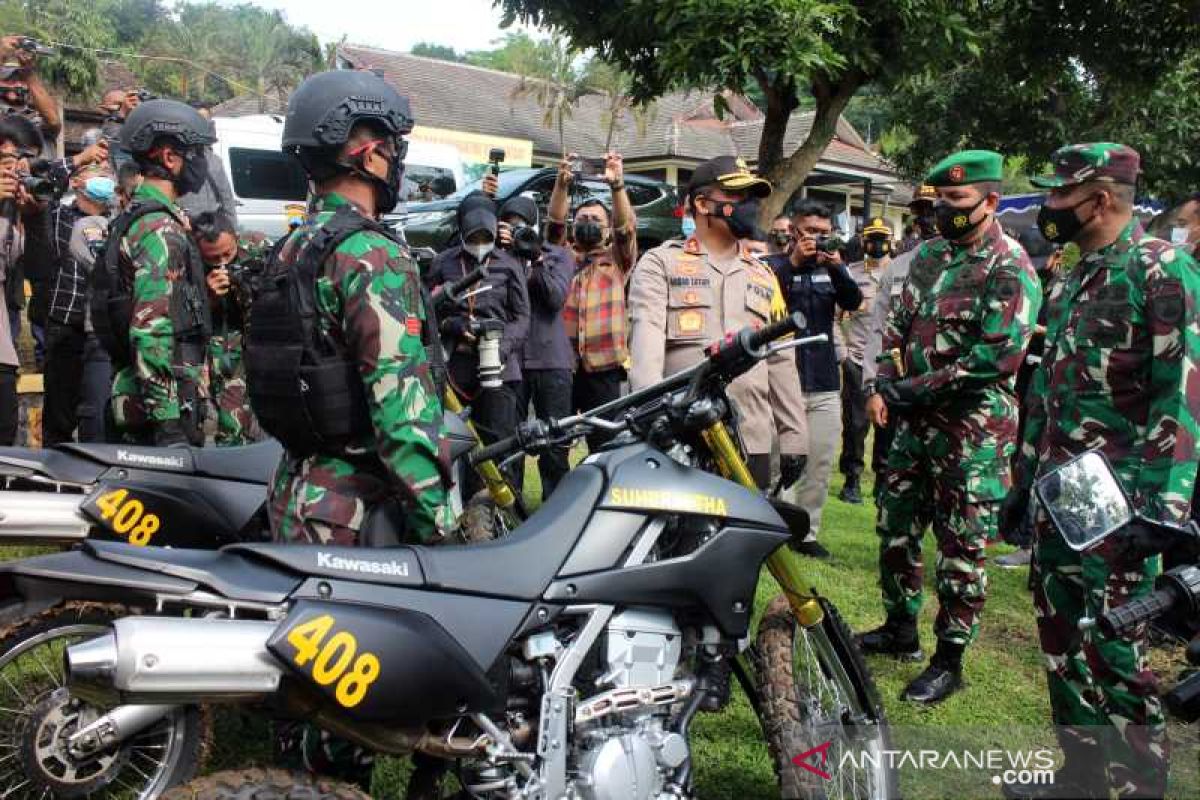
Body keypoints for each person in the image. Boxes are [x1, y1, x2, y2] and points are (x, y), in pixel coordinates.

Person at [1000, 143, 1200, 800]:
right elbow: (1049, 390)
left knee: (1116, 654)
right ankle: (1080, 777)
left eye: (1060, 195)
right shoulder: (1076, 272)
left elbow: (1183, 394)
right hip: (1067, 494)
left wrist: (1164, 513)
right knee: (1060, 639)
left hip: (1127, 505)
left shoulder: (1162, 270)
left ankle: (1140, 787)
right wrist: (1023, 482)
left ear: (1101, 198)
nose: (1050, 208)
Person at [857, 150, 1040, 705]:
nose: (945, 211)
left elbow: (998, 356)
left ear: (991, 202)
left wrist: (919, 387)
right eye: (941, 201)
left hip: (973, 430)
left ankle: (949, 658)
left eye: (957, 201)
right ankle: (900, 629)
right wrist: (884, 380)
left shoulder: (1010, 266)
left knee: (960, 545)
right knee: (895, 526)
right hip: (913, 422)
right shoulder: (929, 256)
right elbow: (895, 322)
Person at [627, 154, 809, 710]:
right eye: (739, 196)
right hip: (682, 434)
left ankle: (716, 659)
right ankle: (664, 650)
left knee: (735, 556)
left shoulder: (763, 274)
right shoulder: (661, 264)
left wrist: (794, 435)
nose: (749, 207)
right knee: (674, 546)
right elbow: (646, 347)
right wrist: (651, 419)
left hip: (747, 439)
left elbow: (780, 362)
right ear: (704, 203)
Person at [92, 99, 215, 447]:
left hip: (142, 397)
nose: (202, 164)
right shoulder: (159, 227)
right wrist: (168, 424)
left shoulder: (139, 217)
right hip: (158, 413)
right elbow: (151, 327)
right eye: (197, 153)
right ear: (169, 157)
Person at [768, 198, 863, 557]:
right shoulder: (773, 266)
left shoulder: (837, 268)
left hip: (823, 379)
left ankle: (806, 533)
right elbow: (766, 299)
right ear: (793, 231)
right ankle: (776, 530)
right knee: (781, 461)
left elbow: (853, 302)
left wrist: (837, 267)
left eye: (825, 233)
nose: (818, 239)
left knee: (820, 462)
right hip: (783, 379)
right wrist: (794, 264)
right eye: (810, 232)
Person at [426, 191, 529, 494]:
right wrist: (453, 326)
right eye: (475, 236)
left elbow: (522, 318)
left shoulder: (510, 265)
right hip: (455, 367)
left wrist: (501, 346)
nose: (481, 242)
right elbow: (427, 311)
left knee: (499, 443)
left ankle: (502, 518)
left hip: (500, 366)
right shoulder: (442, 263)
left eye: (487, 235)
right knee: (453, 439)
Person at [548, 151, 636, 449]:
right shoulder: (559, 257)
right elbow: (554, 225)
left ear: (607, 228)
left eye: (596, 219)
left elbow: (627, 229)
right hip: (563, 365)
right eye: (582, 218)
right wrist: (561, 185)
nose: (588, 222)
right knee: (557, 442)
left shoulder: (618, 260)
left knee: (605, 444)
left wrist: (617, 185)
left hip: (605, 368)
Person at [862, 184, 938, 499]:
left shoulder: (982, 264)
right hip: (901, 392)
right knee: (898, 496)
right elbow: (877, 331)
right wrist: (873, 387)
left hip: (953, 400)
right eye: (921, 211)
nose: (928, 218)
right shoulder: (899, 267)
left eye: (933, 209)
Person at [500, 194, 574, 501]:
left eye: (523, 226)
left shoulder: (557, 255)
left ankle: (555, 507)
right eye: (511, 226)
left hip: (551, 360)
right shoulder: (496, 257)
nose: (518, 232)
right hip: (511, 360)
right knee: (509, 441)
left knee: (556, 443)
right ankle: (511, 509)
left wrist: (535, 258)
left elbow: (556, 298)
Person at [44, 168, 116, 445]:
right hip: (66, 321)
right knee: (60, 412)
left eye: (106, 172)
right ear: (76, 182)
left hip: (101, 331)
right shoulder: (60, 215)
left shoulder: (117, 219)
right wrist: (75, 162)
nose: (104, 176)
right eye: (94, 172)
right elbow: (45, 185)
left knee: (97, 410)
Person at [191, 210, 267, 446]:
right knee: (232, 418)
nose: (223, 263)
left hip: (263, 340)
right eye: (213, 259)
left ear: (236, 238)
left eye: (228, 254)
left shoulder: (259, 247)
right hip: (224, 344)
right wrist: (208, 298)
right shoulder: (189, 264)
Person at [838, 217, 891, 505]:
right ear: (864, 241)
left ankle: (882, 480)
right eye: (873, 238)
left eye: (883, 238)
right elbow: (835, 318)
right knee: (856, 423)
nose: (878, 244)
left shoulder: (903, 272)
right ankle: (852, 479)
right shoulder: (850, 273)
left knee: (887, 423)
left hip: (890, 363)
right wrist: (842, 353)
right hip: (858, 359)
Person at [177, 100, 239, 225]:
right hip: (184, 228)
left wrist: (232, 232)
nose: (203, 124)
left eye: (206, 120)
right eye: (198, 119)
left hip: (210, 232)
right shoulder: (175, 158)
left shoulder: (215, 161)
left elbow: (227, 200)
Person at [0, 35, 61, 155]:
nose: (15, 86)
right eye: (8, 82)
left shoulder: (35, 122)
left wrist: (28, 71)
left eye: (19, 82)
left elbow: (54, 121)